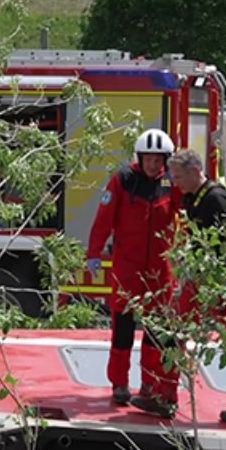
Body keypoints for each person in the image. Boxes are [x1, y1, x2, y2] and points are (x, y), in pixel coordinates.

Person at [133, 149, 226, 425]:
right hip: (200, 277)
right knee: (173, 330)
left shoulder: (215, 199)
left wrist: (215, 283)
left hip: (218, 280)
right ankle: (165, 395)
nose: (176, 182)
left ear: (196, 170)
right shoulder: (193, 196)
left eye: (180, 177)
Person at [86, 129, 179, 405]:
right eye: (149, 159)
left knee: (155, 331)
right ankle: (119, 383)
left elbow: (183, 217)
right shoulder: (123, 180)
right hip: (127, 267)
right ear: (140, 157)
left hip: (160, 269)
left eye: (158, 160)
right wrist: (94, 253)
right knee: (123, 328)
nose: (153, 165)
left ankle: (149, 385)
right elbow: (104, 219)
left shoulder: (170, 183)